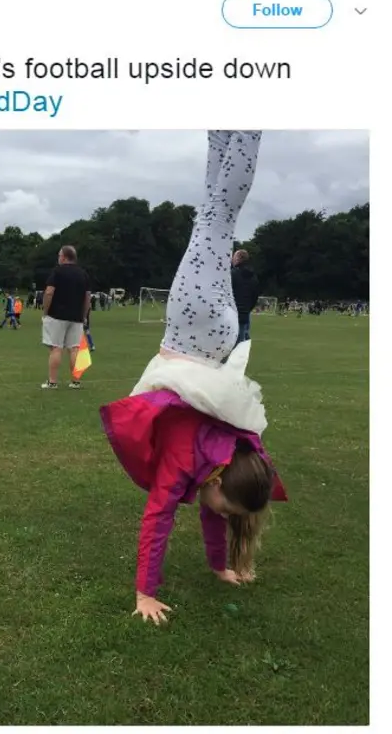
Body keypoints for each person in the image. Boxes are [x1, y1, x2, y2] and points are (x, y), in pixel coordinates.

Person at [99, 131, 287, 625]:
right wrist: (145, 594)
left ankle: (223, 130)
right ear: (222, 481)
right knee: (217, 215)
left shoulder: (221, 459)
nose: (220, 515)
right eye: (228, 510)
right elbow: (156, 519)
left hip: (211, 332)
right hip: (196, 324)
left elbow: (204, 510)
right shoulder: (193, 458)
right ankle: (244, 129)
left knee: (215, 213)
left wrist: (219, 566)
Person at [41, 245, 91, 390]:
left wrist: (45, 311)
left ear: (64, 257)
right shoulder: (83, 274)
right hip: (76, 317)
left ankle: (52, 382)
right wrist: (84, 315)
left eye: (59, 255)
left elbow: (49, 292)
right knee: (74, 349)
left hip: (56, 315)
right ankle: (75, 381)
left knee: (56, 348)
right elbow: (87, 297)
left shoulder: (57, 272)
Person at [231, 249, 260, 344]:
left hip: (231, 315)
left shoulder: (233, 274)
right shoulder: (254, 277)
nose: (232, 259)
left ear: (239, 259)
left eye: (234, 257)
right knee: (240, 347)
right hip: (244, 315)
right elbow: (255, 297)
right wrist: (247, 309)